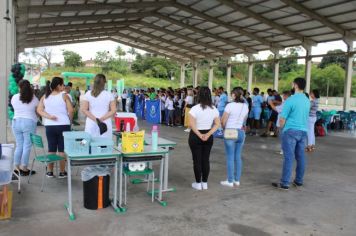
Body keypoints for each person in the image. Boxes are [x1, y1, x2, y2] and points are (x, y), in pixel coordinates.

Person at [272, 77, 310, 190]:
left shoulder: (290, 100)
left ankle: (285, 183)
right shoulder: (307, 100)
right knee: (301, 157)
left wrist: (282, 129)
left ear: (296, 85)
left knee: (288, 157)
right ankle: (298, 181)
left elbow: (282, 118)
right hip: (303, 131)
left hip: (290, 131)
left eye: (293, 83)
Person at [37, 77, 73, 178]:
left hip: (50, 126)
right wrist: (70, 121)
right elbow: (71, 110)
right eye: (62, 85)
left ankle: (50, 171)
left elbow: (39, 110)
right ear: (59, 86)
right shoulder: (64, 96)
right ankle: (62, 172)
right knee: (62, 149)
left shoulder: (45, 96)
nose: (64, 86)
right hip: (63, 125)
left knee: (51, 149)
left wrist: (49, 117)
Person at [188, 87, 220, 191]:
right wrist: (208, 134)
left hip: (195, 136)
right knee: (205, 159)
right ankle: (204, 183)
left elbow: (191, 125)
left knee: (197, 160)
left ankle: (198, 183)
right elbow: (217, 124)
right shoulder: (214, 109)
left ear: (199, 95)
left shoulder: (195, 108)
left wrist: (199, 134)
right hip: (208, 136)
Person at [220, 88, 249, 187]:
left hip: (230, 131)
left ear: (233, 95)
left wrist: (224, 129)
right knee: (238, 156)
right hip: (241, 132)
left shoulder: (230, 105)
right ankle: (237, 180)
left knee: (230, 157)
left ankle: (230, 180)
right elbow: (244, 120)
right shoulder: (245, 106)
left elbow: (223, 121)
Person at [11, 80, 39, 176]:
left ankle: (16, 167)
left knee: (19, 145)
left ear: (19, 87)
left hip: (16, 122)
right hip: (29, 122)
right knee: (26, 146)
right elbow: (37, 110)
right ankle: (24, 168)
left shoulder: (14, 97)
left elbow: (15, 108)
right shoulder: (34, 98)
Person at [81, 74, 116, 138]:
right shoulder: (109, 95)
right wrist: (102, 119)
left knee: (89, 143)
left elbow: (84, 109)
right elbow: (113, 110)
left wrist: (96, 120)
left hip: (91, 122)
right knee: (105, 145)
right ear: (104, 83)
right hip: (105, 123)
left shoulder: (88, 94)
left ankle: (82, 146)